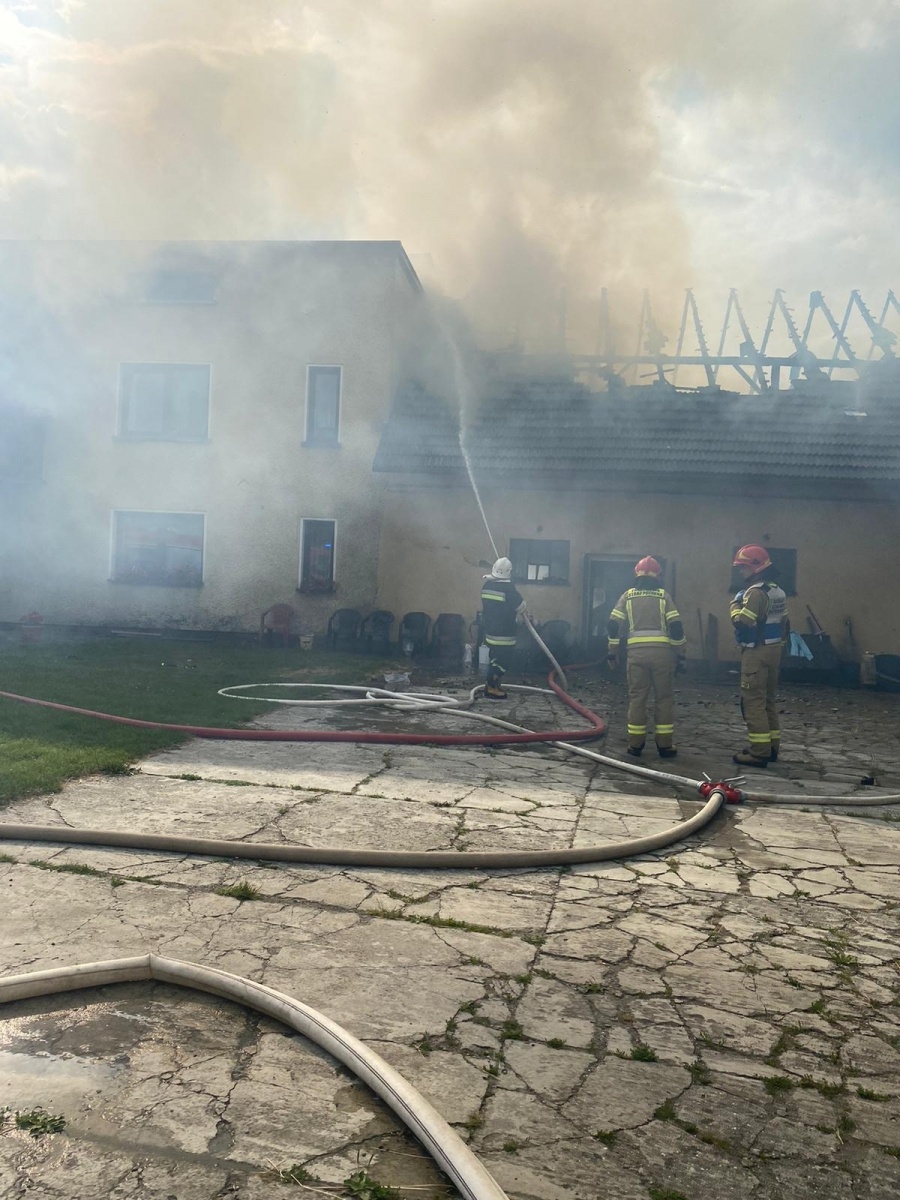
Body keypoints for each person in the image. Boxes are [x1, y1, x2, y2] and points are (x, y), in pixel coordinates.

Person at [606, 556, 687, 758]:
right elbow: (676, 628)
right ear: (658, 576)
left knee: (637, 699)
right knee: (664, 699)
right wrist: (680, 654)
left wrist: (612, 653)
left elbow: (613, 625)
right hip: (662, 656)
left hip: (636, 656)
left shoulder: (627, 596)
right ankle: (665, 746)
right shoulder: (664, 596)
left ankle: (635, 745)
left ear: (637, 574)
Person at [730, 543, 789, 768]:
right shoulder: (778, 591)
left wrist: (734, 604)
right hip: (774, 650)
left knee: (753, 701)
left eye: (743, 567)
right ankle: (772, 748)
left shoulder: (754, 593)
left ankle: (759, 752)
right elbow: (785, 622)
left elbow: (742, 622)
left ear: (756, 567)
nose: (740, 572)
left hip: (756, 651)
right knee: (768, 701)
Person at [480, 557, 527, 700]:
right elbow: (521, 606)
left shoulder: (487, 585)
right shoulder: (508, 588)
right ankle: (491, 687)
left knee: (495, 658)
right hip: (504, 633)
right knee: (503, 661)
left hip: (490, 631)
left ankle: (493, 685)